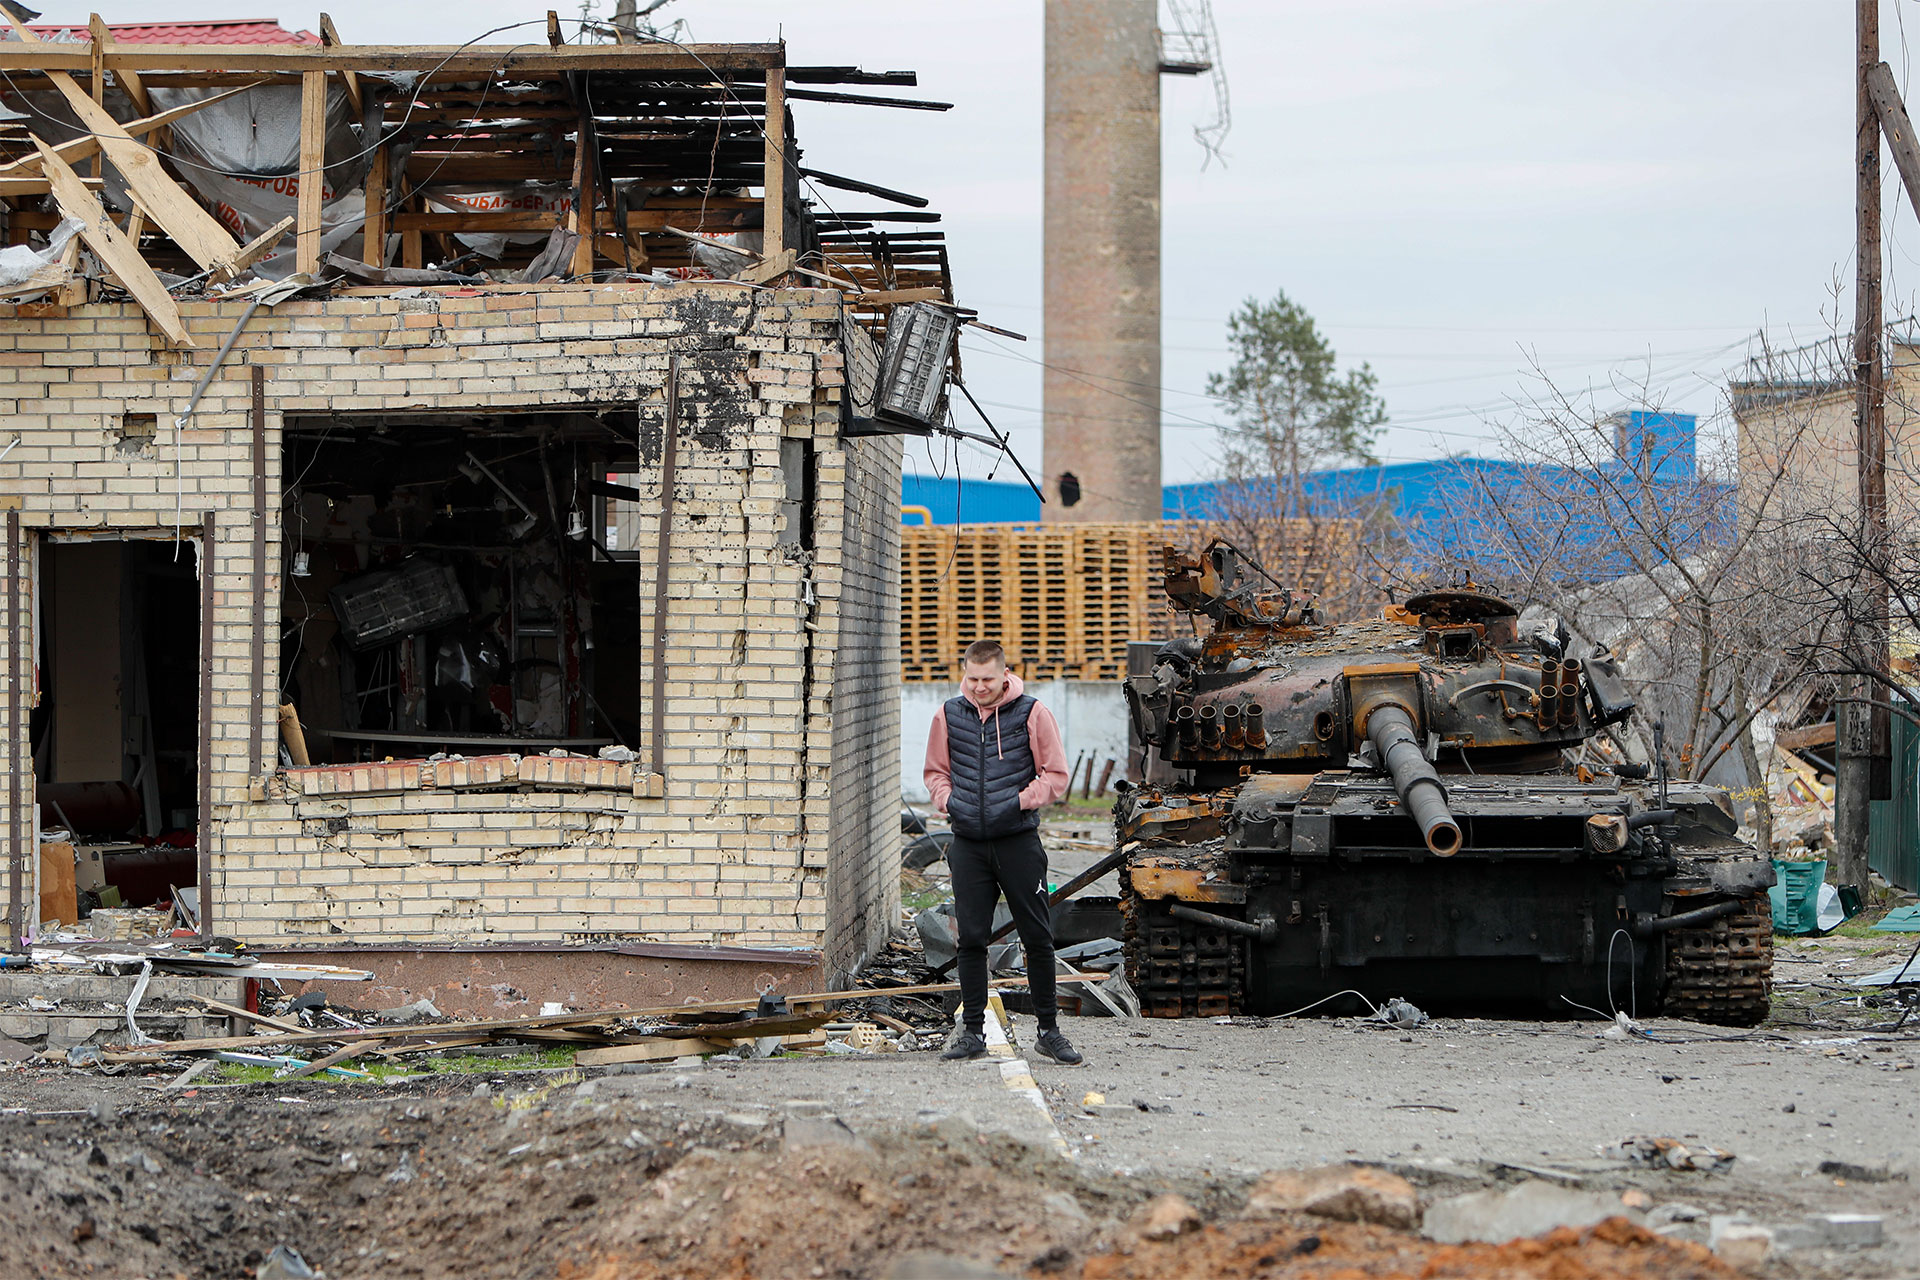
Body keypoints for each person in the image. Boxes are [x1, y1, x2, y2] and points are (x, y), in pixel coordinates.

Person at [923, 639, 1082, 1065]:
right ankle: (972, 1032)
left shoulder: (1032, 713)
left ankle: (1048, 1032)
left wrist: (1017, 802)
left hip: (1018, 842)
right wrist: (948, 801)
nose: (978, 687)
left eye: (987, 680)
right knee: (971, 939)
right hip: (968, 846)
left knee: (1037, 936)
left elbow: (1056, 774)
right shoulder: (948, 714)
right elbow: (936, 772)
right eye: (971, 679)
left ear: (1004, 674)